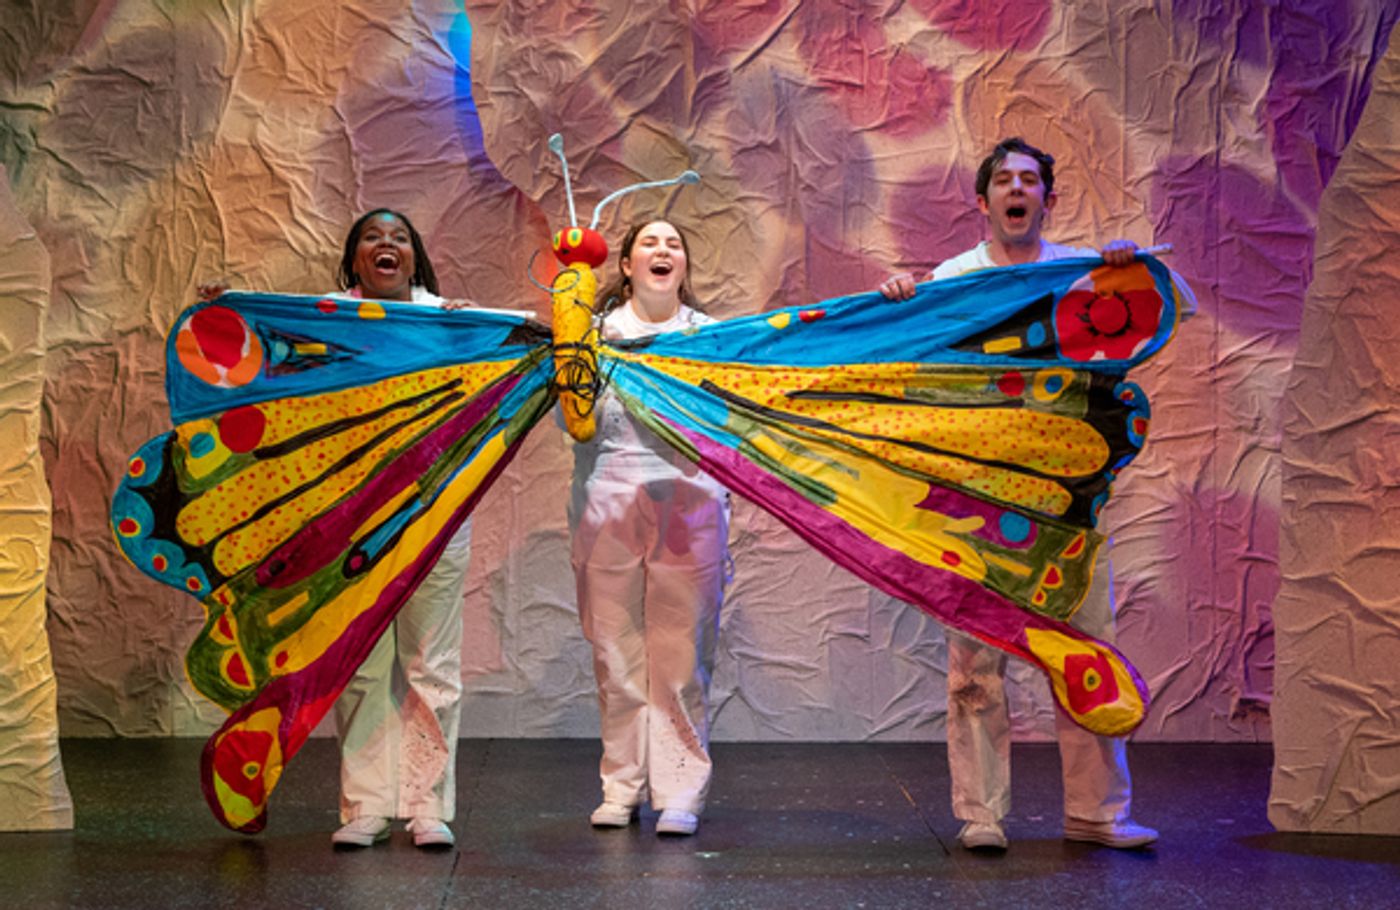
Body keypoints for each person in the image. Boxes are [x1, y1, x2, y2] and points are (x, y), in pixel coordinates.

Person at [879, 138, 1193, 853]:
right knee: (975, 663)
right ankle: (982, 812)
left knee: (1084, 649)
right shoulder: (955, 278)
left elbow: (1180, 305)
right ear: (983, 200)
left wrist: (1131, 270)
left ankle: (1097, 813)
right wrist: (901, 299)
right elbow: (894, 350)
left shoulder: (1081, 271)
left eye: (1029, 179)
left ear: (1048, 198)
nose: (1016, 189)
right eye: (1003, 179)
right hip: (976, 499)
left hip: (1066, 499)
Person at [203, 209, 473, 849]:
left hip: (433, 511)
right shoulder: (325, 318)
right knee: (358, 663)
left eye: (399, 237)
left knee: (432, 661)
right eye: (372, 238)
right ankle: (366, 805)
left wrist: (485, 329)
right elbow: (274, 329)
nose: (386, 245)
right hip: (350, 523)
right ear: (354, 261)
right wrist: (235, 309)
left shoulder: (447, 318)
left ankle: (427, 804)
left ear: (415, 257)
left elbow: (505, 359)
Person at [569, 218, 730, 837]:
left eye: (675, 245)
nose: (663, 252)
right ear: (628, 266)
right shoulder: (591, 335)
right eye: (649, 244)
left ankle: (680, 791)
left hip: (688, 494)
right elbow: (571, 423)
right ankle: (621, 786)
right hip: (610, 492)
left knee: (682, 652)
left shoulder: (711, 338)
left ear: (684, 267)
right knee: (615, 651)